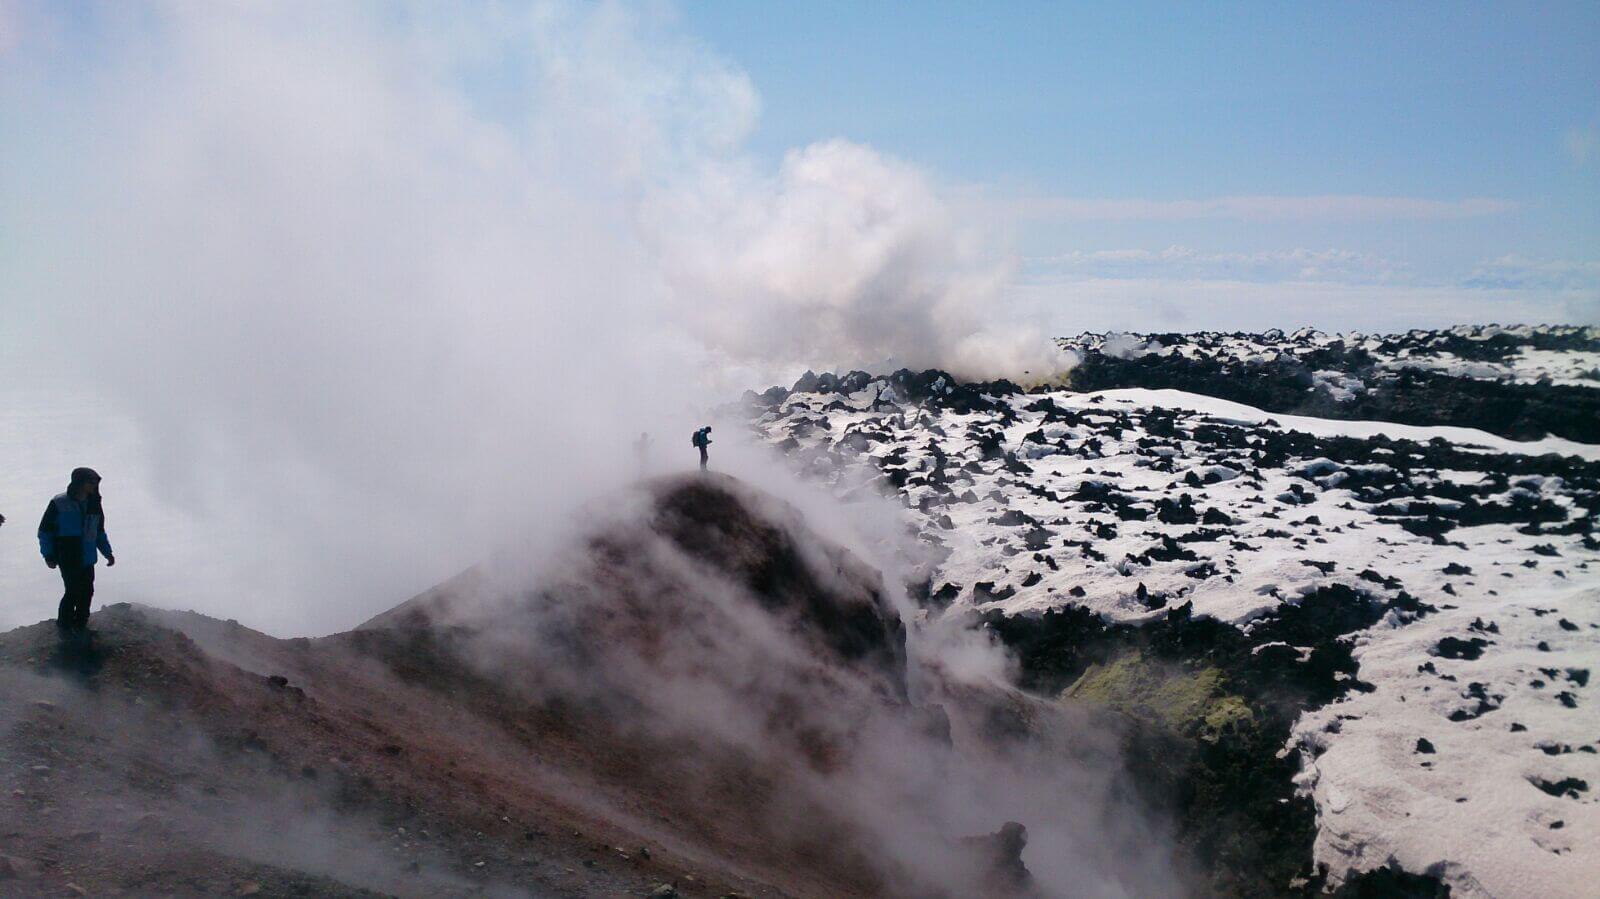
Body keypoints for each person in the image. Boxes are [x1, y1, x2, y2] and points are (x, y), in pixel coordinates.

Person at [38, 467, 114, 633]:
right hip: (68, 555)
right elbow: (45, 531)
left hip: (87, 556)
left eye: (95, 482)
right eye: (91, 481)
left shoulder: (94, 503)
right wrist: (48, 555)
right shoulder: (59, 503)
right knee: (72, 590)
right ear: (79, 482)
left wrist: (107, 552)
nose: (94, 485)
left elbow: (99, 531)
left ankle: (80, 623)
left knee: (87, 591)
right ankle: (64, 625)